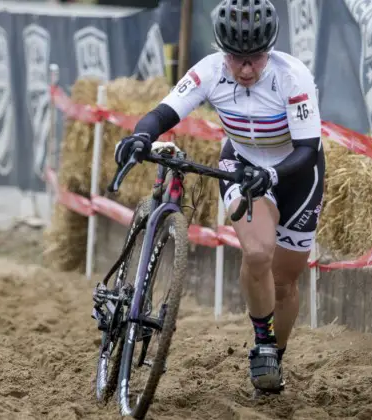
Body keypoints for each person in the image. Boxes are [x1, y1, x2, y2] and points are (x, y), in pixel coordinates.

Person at [112, 0, 325, 393]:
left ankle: (274, 357)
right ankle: (262, 343)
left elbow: (308, 148)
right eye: (237, 58)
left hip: (295, 172)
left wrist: (273, 174)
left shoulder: (292, 75)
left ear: (271, 48)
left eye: (256, 58)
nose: (246, 68)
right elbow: (163, 114)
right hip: (241, 165)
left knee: (285, 283)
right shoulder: (209, 70)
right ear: (222, 51)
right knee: (258, 253)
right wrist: (142, 135)